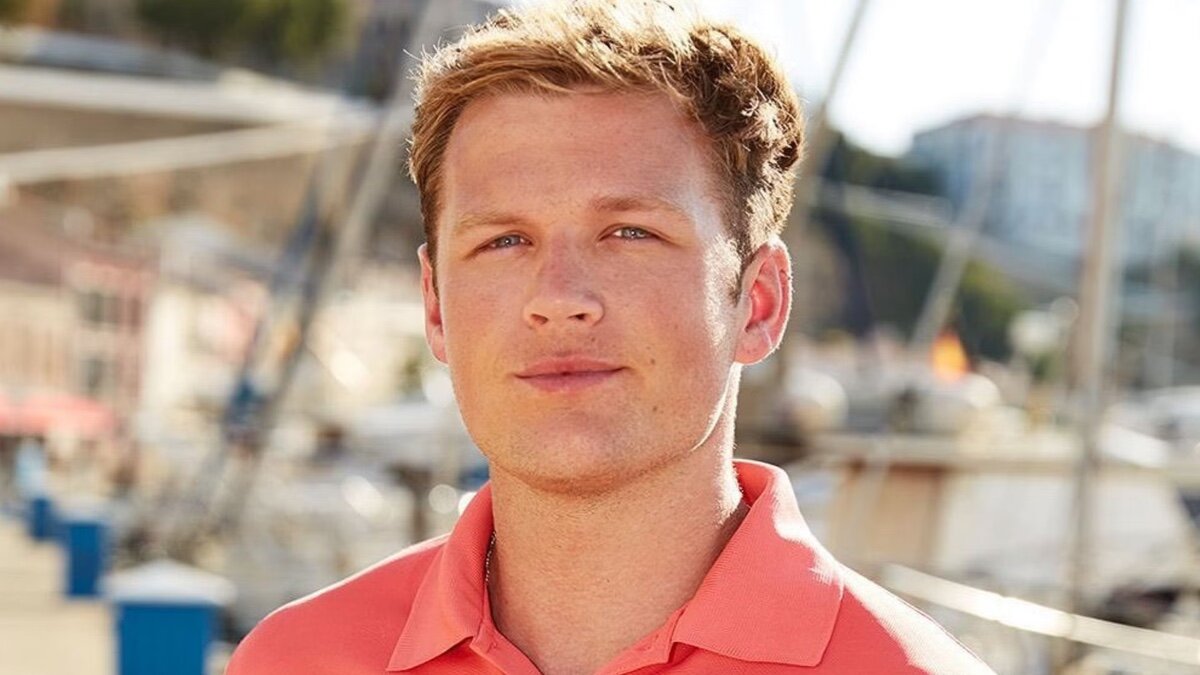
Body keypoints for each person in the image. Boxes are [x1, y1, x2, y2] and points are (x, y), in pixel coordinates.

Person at [227, 1, 995, 673]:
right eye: (502, 241)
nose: (559, 299)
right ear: (435, 306)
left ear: (757, 302)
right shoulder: (295, 661)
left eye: (629, 232)